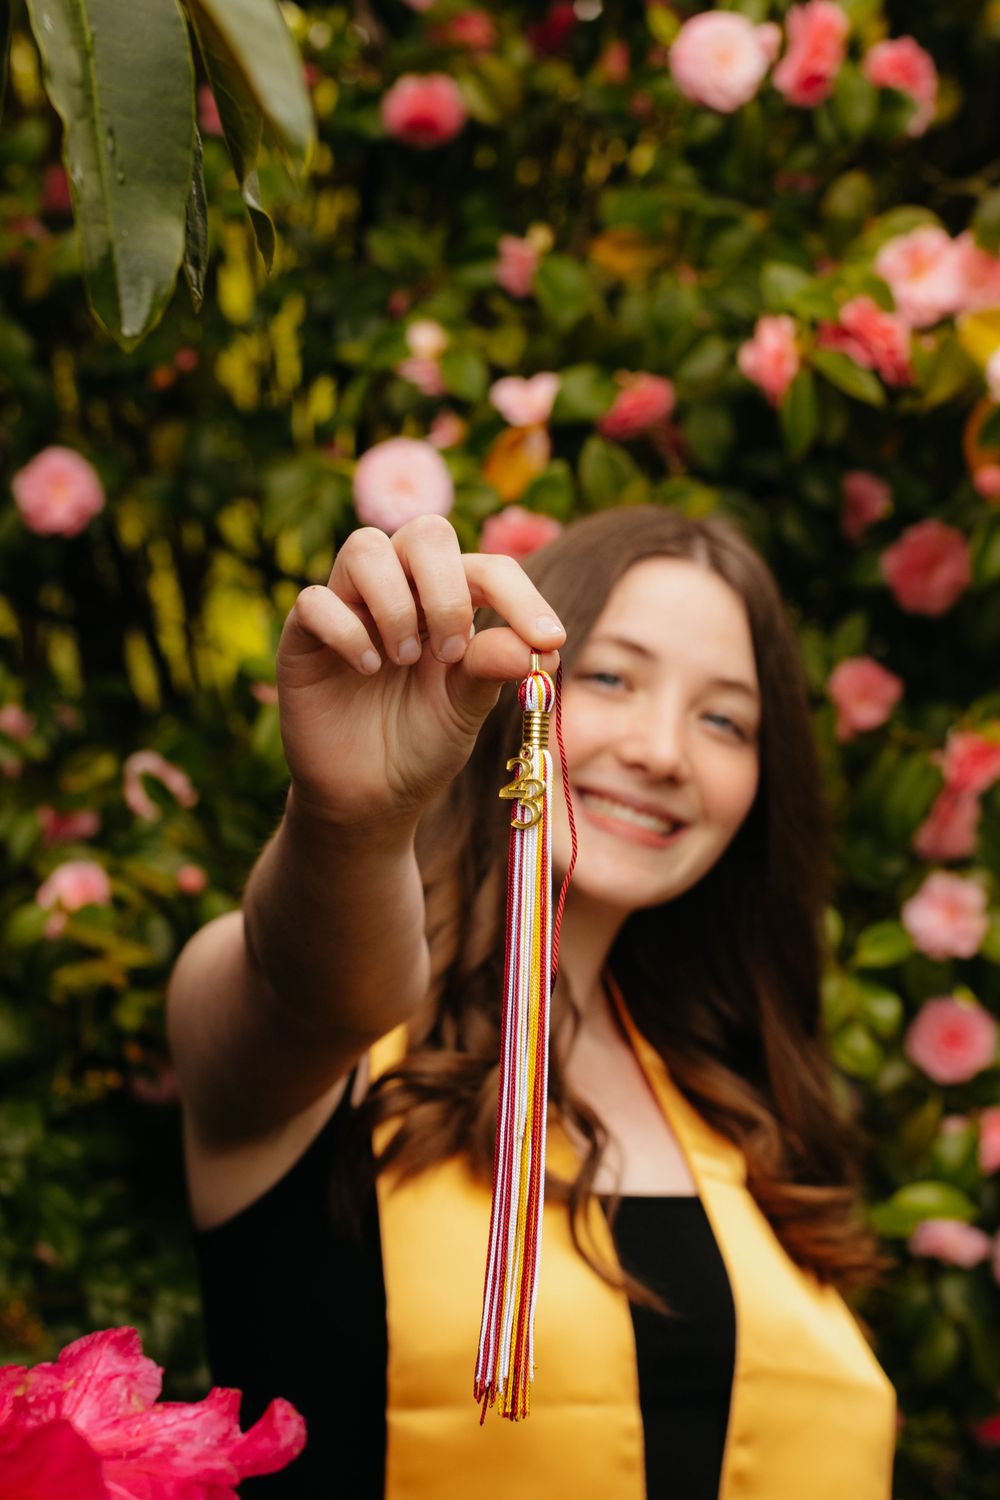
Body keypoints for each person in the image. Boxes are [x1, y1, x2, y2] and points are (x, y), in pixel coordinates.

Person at [167, 504, 897, 1500]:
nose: (663, 751)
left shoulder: (748, 1108)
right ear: (506, 686)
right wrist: (352, 824)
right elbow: (314, 988)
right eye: (610, 678)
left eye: (724, 719)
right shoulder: (327, 1047)